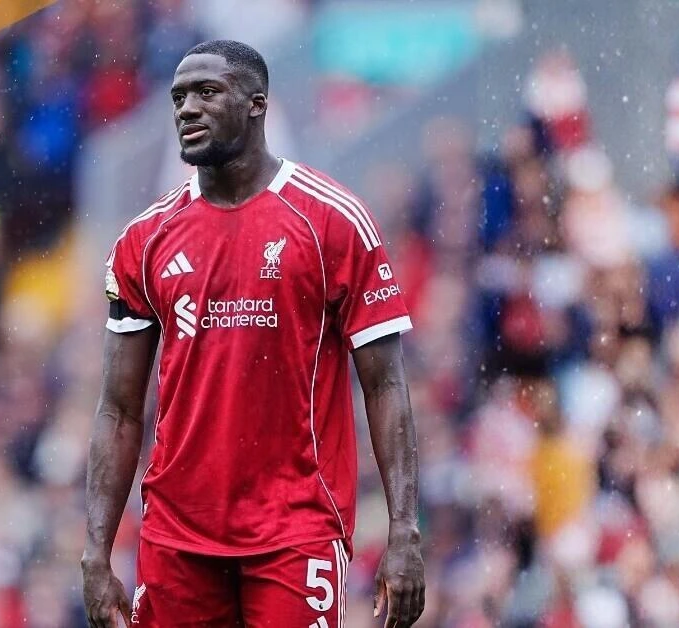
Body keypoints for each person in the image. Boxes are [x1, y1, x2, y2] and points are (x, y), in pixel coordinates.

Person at [81, 39, 425, 628]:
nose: (187, 108)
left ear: (257, 104)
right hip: (178, 536)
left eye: (207, 93)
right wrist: (96, 550)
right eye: (179, 97)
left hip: (297, 529)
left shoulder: (334, 222)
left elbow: (386, 387)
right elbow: (118, 410)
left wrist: (403, 530)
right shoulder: (145, 240)